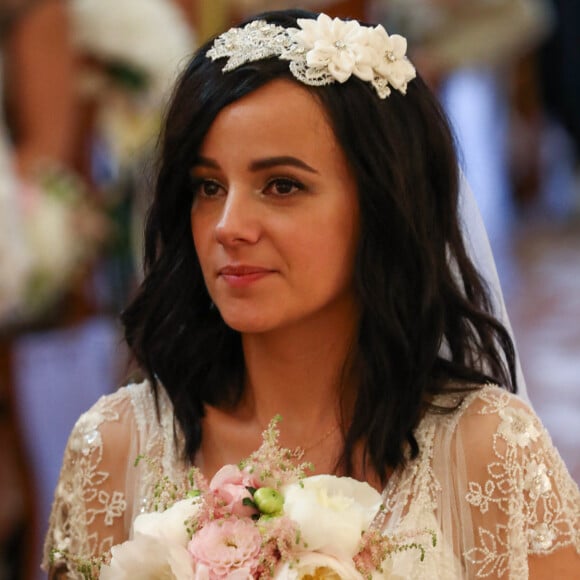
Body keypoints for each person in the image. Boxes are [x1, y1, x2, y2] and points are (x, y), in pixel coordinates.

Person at [43, 9, 579, 578]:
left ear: (380, 205)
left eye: (281, 186)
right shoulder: (114, 447)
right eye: (208, 186)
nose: (228, 225)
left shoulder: (486, 452)